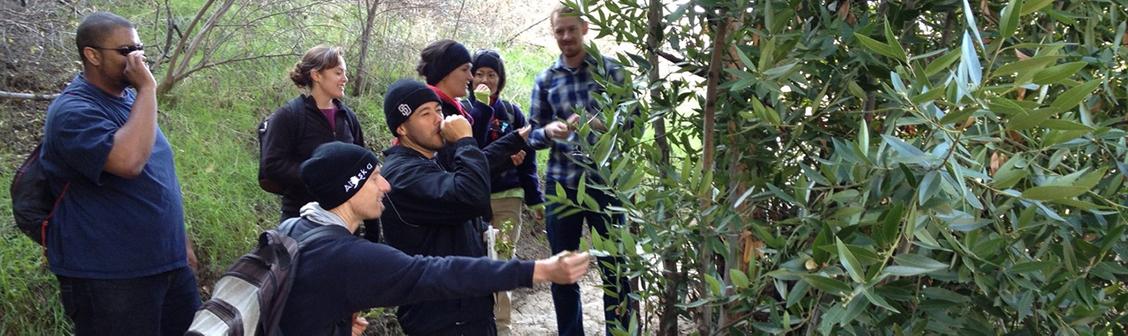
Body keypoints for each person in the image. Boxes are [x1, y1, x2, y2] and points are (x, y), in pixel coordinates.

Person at [278, 141, 592, 335]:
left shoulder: (293, 228)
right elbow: (439, 273)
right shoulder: (346, 257)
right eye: (374, 178)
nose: (386, 186)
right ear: (349, 190)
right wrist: (541, 270)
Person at [39, 12, 199, 335]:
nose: (137, 59)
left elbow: (159, 175)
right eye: (126, 51)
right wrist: (148, 89)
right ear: (92, 55)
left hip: (166, 263)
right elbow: (128, 162)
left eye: (140, 48)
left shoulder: (131, 100)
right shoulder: (73, 111)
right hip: (112, 277)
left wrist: (180, 243)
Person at [527, 5, 636, 335]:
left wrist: (603, 126)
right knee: (563, 270)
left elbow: (635, 124)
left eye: (571, 29)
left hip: (607, 185)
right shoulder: (545, 79)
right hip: (562, 187)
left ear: (585, 28)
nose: (565, 37)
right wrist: (549, 131)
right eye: (559, 31)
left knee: (615, 270)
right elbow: (531, 135)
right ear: (553, 33)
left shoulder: (612, 72)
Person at [372, 78, 500, 335]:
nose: (438, 119)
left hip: (468, 309)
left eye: (439, 110)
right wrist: (465, 141)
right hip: (443, 319)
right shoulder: (402, 175)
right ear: (402, 129)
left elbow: (471, 206)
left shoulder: (432, 160)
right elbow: (472, 196)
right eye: (425, 113)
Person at [462, 49, 545, 336]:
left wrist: (535, 199)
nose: (485, 80)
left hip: (508, 198)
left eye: (492, 75)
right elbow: (471, 155)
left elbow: (529, 158)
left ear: (501, 79)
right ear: (471, 78)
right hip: (473, 199)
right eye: (480, 74)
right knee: (474, 262)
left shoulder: (512, 112)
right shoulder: (461, 112)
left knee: (502, 262)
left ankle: (502, 327)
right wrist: (481, 108)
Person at [259, 45, 367, 221]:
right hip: (301, 220)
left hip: (344, 221)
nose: (345, 79)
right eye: (338, 73)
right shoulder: (288, 116)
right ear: (316, 75)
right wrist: (316, 173)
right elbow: (272, 166)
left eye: (345, 73)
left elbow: (363, 166)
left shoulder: (348, 118)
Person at [415, 39, 529, 175]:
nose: (470, 77)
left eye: (492, 75)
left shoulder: (454, 109)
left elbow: (473, 156)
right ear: (446, 72)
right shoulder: (436, 114)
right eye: (465, 70)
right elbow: (465, 169)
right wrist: (517, 138)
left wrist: (508, 161)